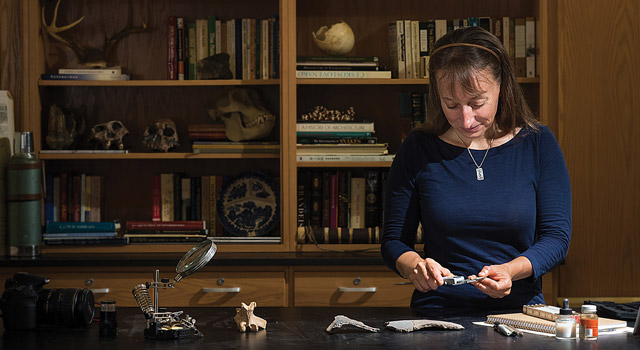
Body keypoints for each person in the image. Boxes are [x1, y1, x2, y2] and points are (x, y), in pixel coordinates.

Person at [381, 26, 571, 312]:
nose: (466, 118)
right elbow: (393, 241)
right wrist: (416, 267)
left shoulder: (537, 143)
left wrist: (510, 271)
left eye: (477, 103)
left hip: (519, 314)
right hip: (437, 313)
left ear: (501, 86)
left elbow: (556, 238)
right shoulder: (418, 148)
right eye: (451, 104)